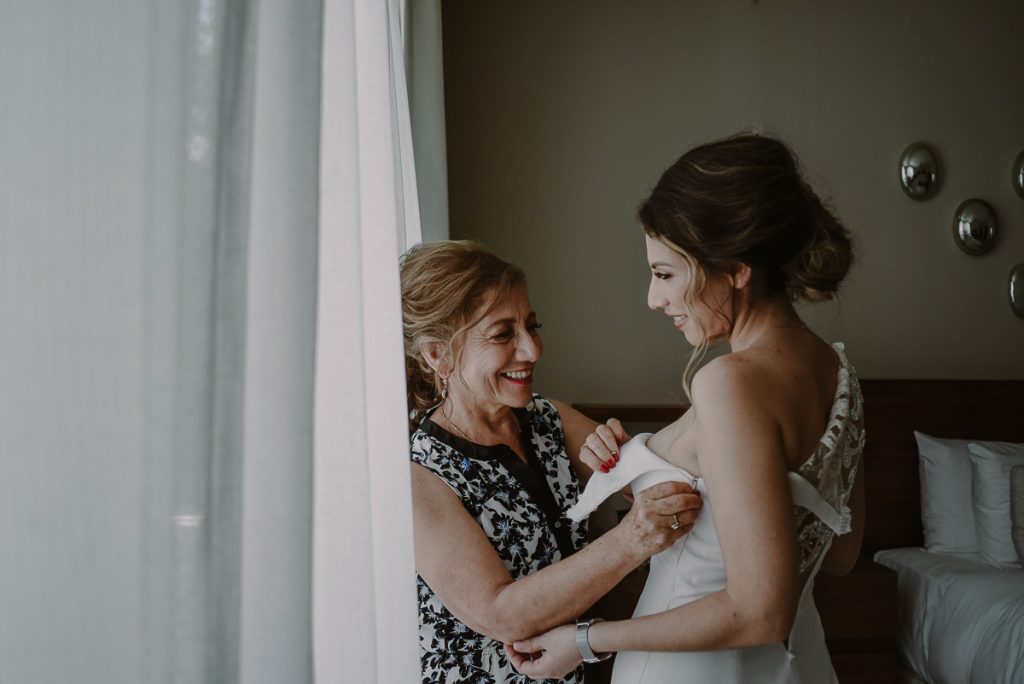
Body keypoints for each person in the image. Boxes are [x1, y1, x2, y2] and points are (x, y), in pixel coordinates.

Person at [506, 133, 866, 683]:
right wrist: (631, 460)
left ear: (737, 266)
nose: (655, 299)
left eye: (665, 274)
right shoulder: (839, 373)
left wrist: (584, 640)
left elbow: (760, 610)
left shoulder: (730, 384)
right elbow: (839, 557)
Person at [401, 240, 704, 683]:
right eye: (504, 334)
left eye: (532, 325)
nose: (532, 350)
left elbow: (655, 471)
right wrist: (631, 538)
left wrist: (717, 403)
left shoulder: (548, 418)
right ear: (437, 355)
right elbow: (500, 613)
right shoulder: (417, 476)